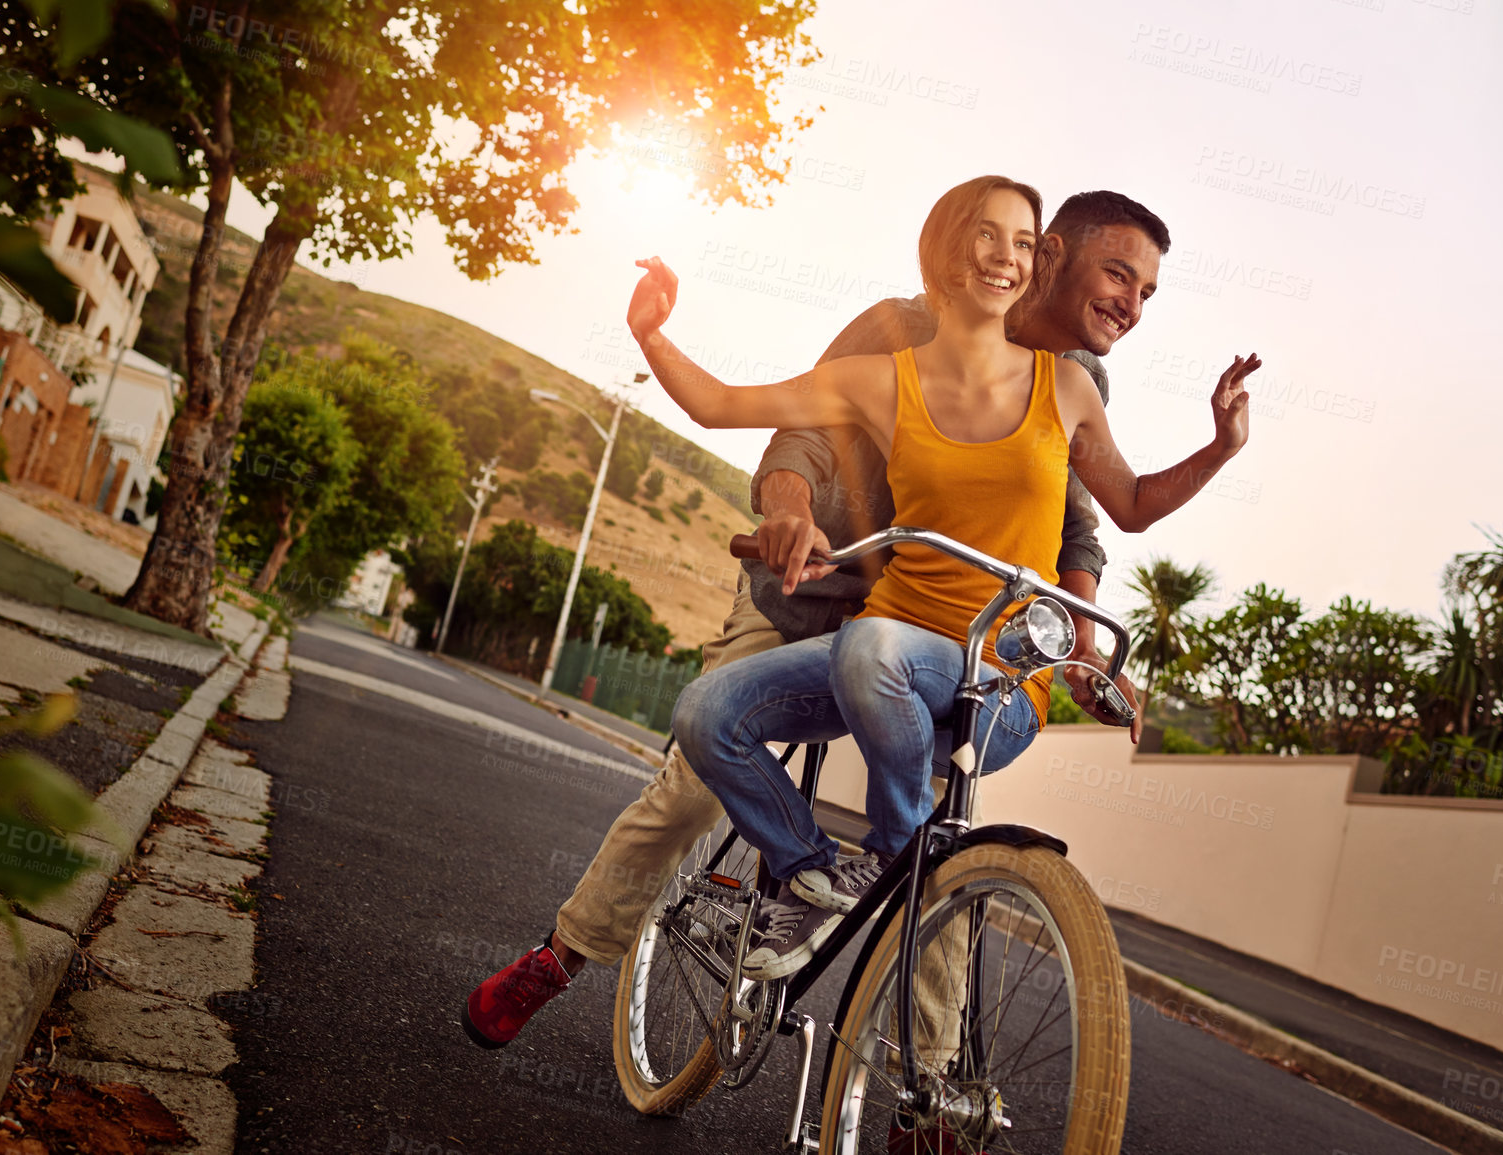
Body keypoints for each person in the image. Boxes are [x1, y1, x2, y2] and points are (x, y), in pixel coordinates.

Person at [461, 187, 1177, 1050]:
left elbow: (1077, 525)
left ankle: (930, 1091)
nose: (1128, 306)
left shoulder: (1073, 382)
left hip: (937, 631)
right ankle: (563, 954)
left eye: (1145, 290)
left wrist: (1081, 648)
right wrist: (788, 511)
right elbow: (792, 439)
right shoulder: (897, 330)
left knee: (935, 843)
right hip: (801, 587)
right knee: (695, 773)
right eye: (1116, 276)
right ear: (1053, 257)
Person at [643, 175, 1255, 980]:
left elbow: (1127, 506)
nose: (1007, 259)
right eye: (987, 238)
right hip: (882, 649)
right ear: (948, 250)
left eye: (1022, 244)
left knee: (870, 648)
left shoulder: (1067, 386)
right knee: (707, 709)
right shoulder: (884, 375)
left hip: (989, 681)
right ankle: (813, 872)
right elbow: (725, 404)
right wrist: (651, 333)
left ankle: (893, 858)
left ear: (1038, 261)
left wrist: (1219, 448)